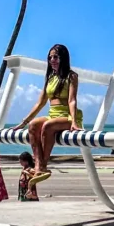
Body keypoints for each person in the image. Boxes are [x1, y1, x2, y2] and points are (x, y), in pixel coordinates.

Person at [12, 44, 84, 184]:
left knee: (47, 126)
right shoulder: (49, 78)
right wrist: (23, 122)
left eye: (55, 57)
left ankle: (42, 165)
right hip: (53, 115)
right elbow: (40, 103)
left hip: (68, 116)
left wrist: (74, 122)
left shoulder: (72, 76)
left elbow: (72, 100)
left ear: (63, 58)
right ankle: (39, 165)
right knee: (33, 126)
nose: (52, 60)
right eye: (50, 57)